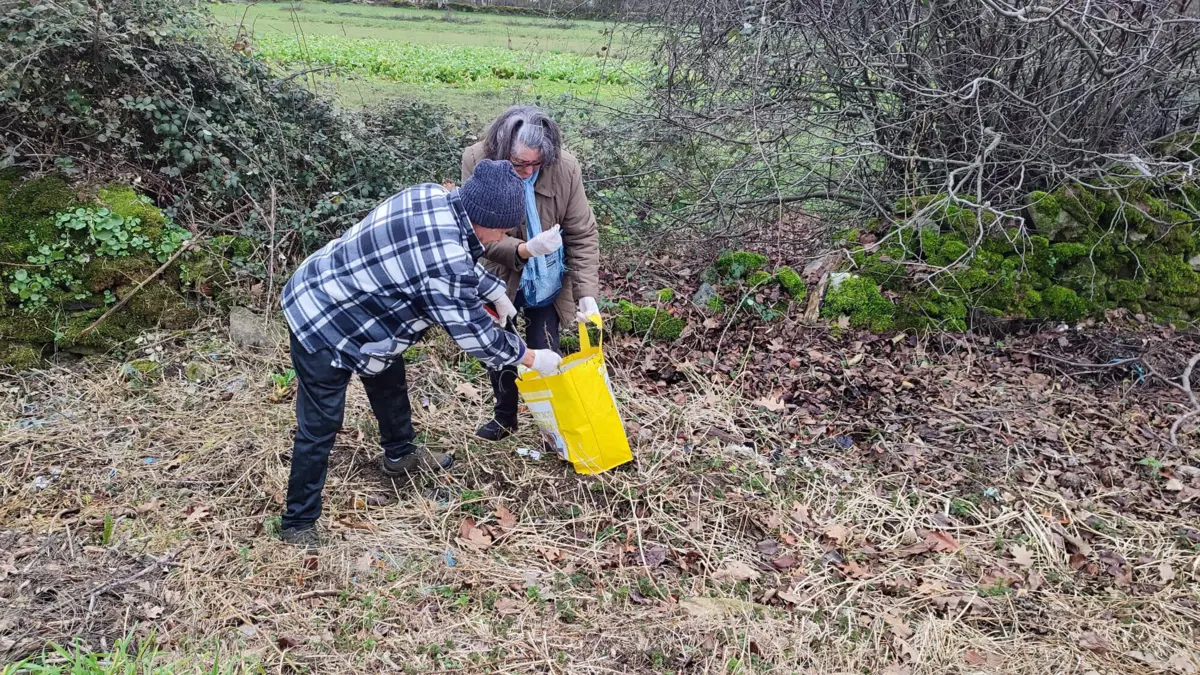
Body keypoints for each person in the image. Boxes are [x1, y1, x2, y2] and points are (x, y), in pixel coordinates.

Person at [277, 159, 563, 548]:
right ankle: (298, 522)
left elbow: (453, 257)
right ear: (481, 215)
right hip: (325, 318)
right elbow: (474, 336)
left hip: (366, 313)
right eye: (500, 229)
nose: (501, 236)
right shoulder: (445, 255)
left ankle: (400, 454)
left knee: (388, 379)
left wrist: (488, 288)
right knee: (320, 424)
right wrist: (530, 358)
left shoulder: (433, 195)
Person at [462, 105, 601, 442]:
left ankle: (552, 427)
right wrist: (524, 250)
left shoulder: (565, 168)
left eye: (534, 164)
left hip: (548, 279)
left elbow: (582, 233)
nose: (526, 171)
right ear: (501, 150)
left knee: (545, 348)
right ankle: (505, 415)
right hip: (499, 276)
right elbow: (476, 234)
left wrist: (587, 295)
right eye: (518, 164)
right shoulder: (477, 158)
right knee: (500, 347)